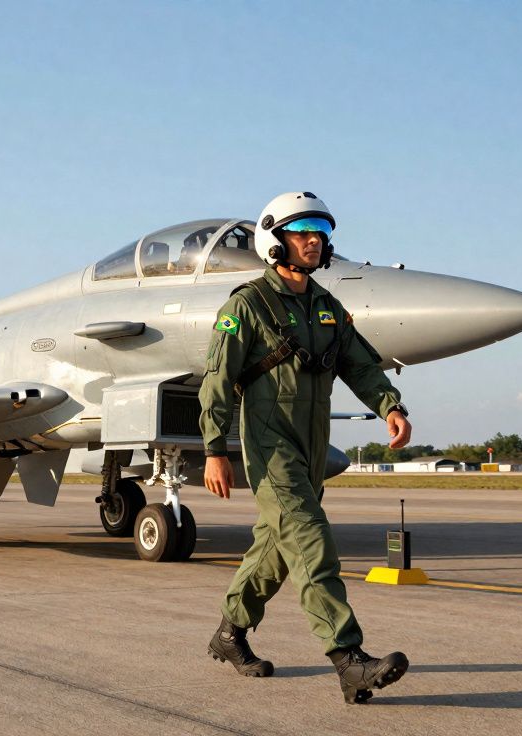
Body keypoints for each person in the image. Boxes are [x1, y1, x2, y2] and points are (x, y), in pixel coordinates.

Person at [197, 191, 414, 704]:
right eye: (302, 231)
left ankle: (229, 634)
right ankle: (348, 658)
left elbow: (360, 363)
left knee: (274, 551)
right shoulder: (246, 305)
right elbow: (217, 381)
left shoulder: (326, 307)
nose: (315, 240)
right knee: (312, 541)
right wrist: (213, 449)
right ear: (276, 241)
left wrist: (390, 406)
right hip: (271, 447)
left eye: (320, 231)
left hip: (313, 442)